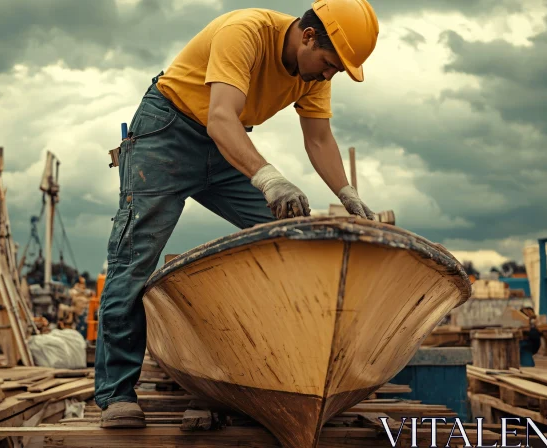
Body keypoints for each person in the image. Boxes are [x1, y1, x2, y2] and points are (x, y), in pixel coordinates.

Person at [95, 0, 381, 428]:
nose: (328, 74)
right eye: (328, 64)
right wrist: (268, 178)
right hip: (167, 133)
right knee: (133, 259)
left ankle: (264, 369)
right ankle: (116, 394)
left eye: (335, 69)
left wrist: (346, 192)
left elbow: (319, 140)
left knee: (287, 242)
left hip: (227, 141)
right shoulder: (245, 31)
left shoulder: (314, 71)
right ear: (307, 36)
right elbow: (220, 116)